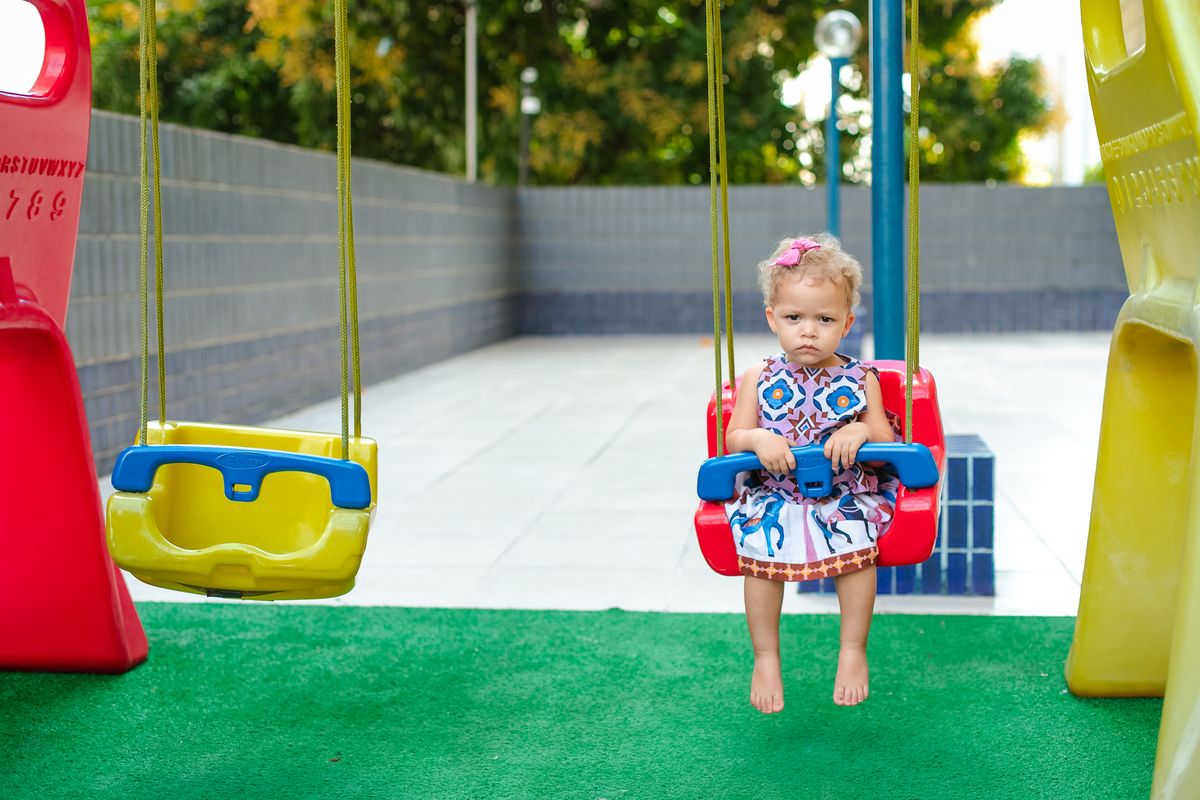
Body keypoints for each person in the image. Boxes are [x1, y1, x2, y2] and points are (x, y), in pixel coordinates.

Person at [723, 232, 900, 713]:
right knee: (759, 548)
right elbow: (733, 438)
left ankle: (853, 650)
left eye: (824, 319)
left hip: (845, 492)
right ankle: (765, 657)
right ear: (771, 318)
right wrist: (758, 438)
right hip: (775, 493)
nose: (809, 332)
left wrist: (860, 429)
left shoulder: (861, 377)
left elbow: (885, 439)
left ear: (846, 323)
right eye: (794, 318)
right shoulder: (757, 377)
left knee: (857, 542)